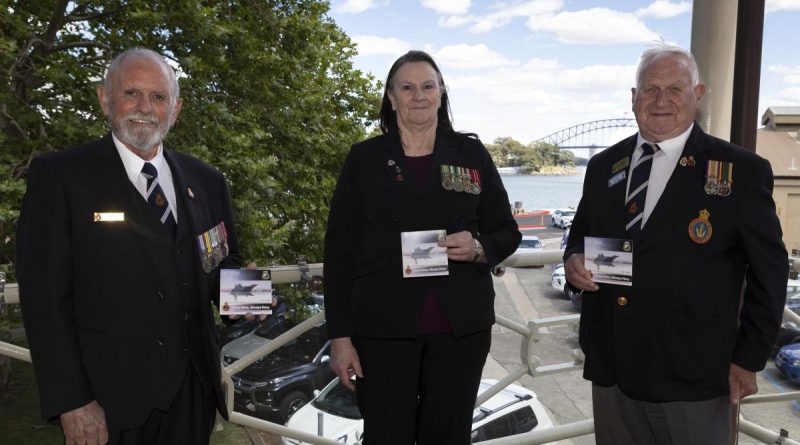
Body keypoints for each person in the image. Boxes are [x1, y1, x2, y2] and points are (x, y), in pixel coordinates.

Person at [564, 43, 788, 444]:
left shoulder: (739, 171)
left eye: (675, 89)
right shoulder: (603, 167)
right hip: (613, 366)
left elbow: (769, 274)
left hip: (695, 375)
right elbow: (580, 235)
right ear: (634, 98)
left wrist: (748, 358)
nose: (661, 101)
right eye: (649, 89)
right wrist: (573, 261)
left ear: (697, 95)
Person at [17, 48, 242, 445]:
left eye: (158, 97)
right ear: (105, 98)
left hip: (193, 395)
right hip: (108, 403)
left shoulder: (207, 181)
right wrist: (72, 401)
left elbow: (224, 262)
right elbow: (44, 299)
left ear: (176, 109)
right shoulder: (60, 176)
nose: (145, 108)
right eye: (131, 93)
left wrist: (251, 303)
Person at [323, 50, 521, 444]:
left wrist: (480, 247)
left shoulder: (471, 154)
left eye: (428, 86)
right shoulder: (364, 159)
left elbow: (506, 231)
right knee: (386, 435)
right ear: (391, 98)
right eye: (407, 87)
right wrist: (340, 338)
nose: (418, 96)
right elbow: (339, 252)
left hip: (460, 330)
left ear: (441, 93)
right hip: (382, 332)